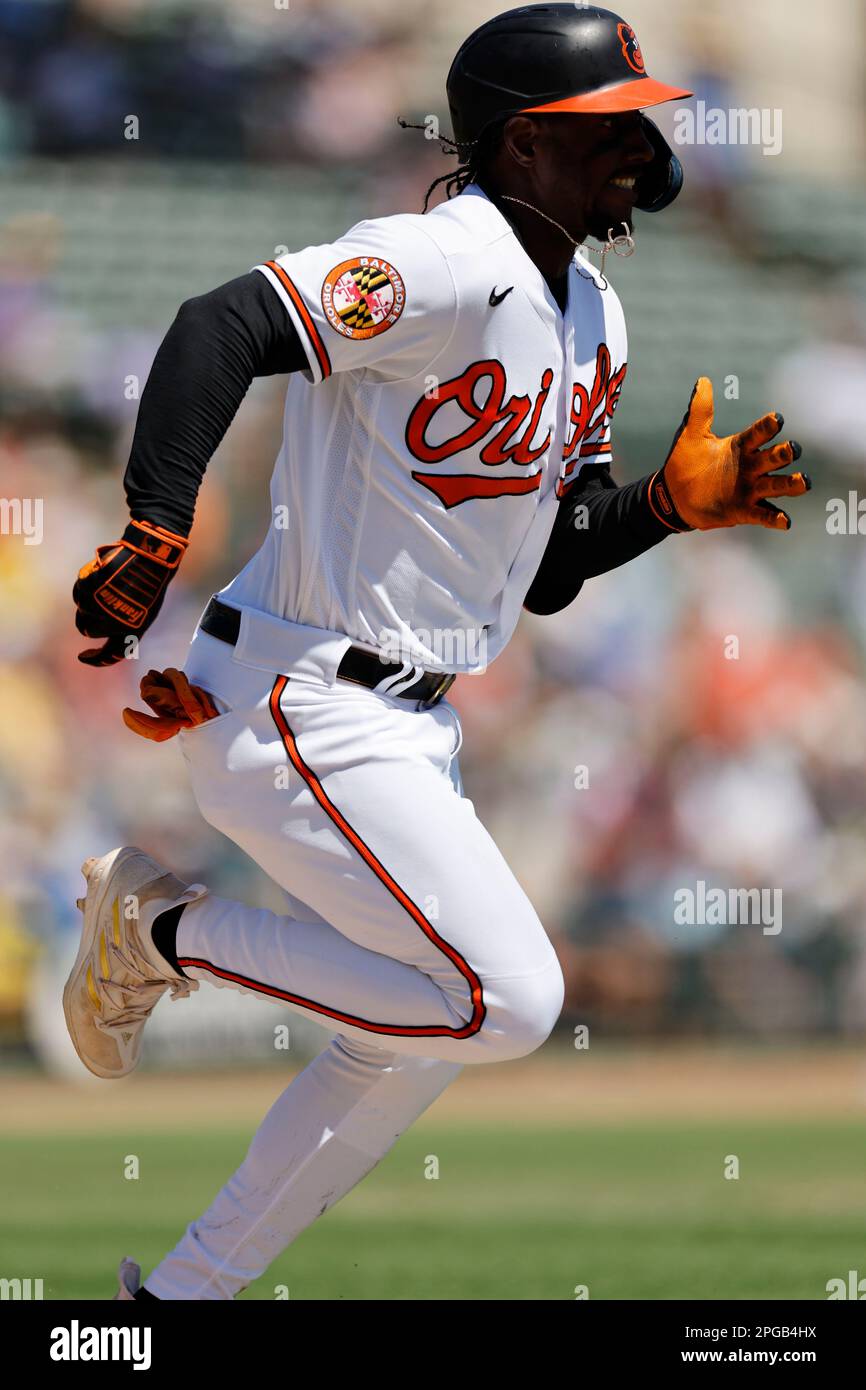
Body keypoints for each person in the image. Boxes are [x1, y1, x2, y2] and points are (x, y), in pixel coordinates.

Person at [64, 5, 808, 1301]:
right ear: (522, 144)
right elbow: (218, 324)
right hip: (302, 694)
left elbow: (555, 562)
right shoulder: (439, 257)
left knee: (403, 1034)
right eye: (608, 125)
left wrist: (662, 508)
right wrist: (156, 523)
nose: (639, 146)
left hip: (406, 722)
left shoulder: (592, 311)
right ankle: (164, 928)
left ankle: (177, 1297)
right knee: (507, 999)